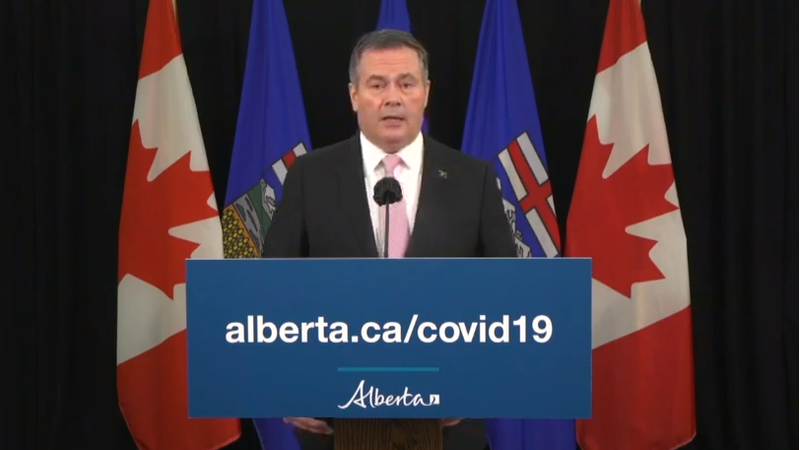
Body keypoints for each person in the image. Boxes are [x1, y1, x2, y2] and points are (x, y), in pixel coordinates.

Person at [262, 29, 516, 450]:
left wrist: (476, 386)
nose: (392, 98)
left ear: (426, 92)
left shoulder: (474, 178)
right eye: (377, 85)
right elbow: (275, 287)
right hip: (336, 419)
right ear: (354, 95)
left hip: (448, 422)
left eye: (406, 83)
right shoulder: (310, 175)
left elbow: (505, 294)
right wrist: (290, 383)